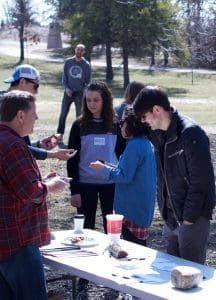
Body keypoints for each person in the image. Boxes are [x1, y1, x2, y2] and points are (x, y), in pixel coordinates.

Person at [133, 85, 215, 264]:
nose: (143, 122)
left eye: (144, 117)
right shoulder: (156, 133)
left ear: (156, 109)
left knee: (192, 277)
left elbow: (201, 182)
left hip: (192, 219)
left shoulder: (191, 133)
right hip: (171, 218)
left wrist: (188, 219)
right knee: (170, 276)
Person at [0, 90, 69, 300]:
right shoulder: (12, 145)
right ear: (20, 115)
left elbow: (14, 187)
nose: (37, 118)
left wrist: (43, 182)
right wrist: (50, 186)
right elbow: (30, 193)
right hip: (19, 244)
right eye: (33, 113)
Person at [67, 80, 125, 292]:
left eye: (96, 100)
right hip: (86, 185)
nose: (91, 104)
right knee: (87, 230)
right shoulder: (78, 125)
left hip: (111, 185)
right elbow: (71, 160)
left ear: (105, 100)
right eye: (88, 100)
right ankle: (84, 275)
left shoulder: (116, 125)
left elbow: (122, 155)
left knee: (113, 231)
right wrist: (74, 191)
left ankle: (114, 274)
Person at [90, 105, 157, 246]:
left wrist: (102, 169)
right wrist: (106, 165)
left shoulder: (134, 146)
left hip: (131, 212)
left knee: (131, 252)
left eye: (122, 123)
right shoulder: (146, 143)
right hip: (142, 210)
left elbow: (124, 176)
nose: (119, 127)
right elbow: (130, 171)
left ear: (132, 124)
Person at [1, 64, 76, 161]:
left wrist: (39, 145)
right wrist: (53, 154)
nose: (36, 92)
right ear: (22, 81)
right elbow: (15, 147)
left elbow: (19, 145)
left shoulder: (12, 104)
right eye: (35, 86)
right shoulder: (3, 105)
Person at [56, 43, 91, 143]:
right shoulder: (68, 62)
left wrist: (84, 91)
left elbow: (88, 81)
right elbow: (64, 78)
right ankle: (59, 136)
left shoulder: (86, 65)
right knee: (63, 114)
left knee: (79, 117)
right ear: (75, 50)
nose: (79, 51)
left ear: (84, 52)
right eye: (78, 49)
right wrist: (66, 88)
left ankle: (79, 136)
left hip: (79, 94)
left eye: (81, 50)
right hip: (68, 93)